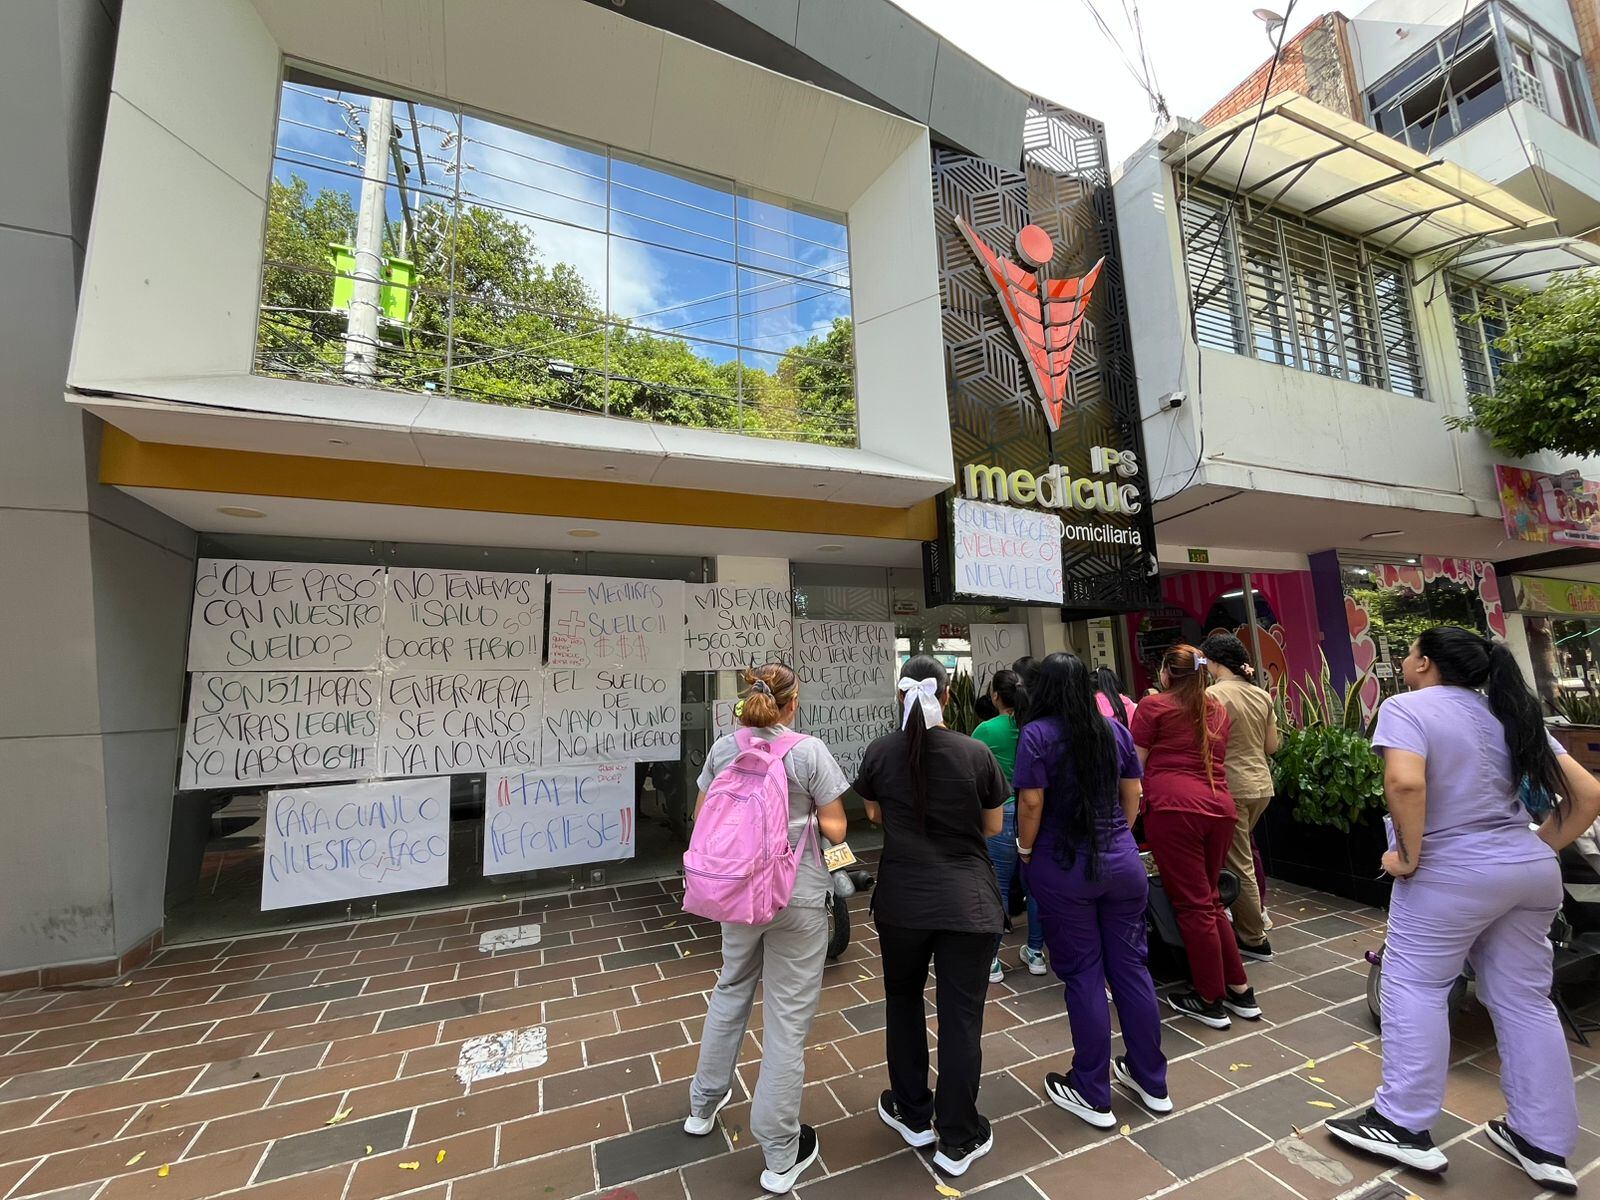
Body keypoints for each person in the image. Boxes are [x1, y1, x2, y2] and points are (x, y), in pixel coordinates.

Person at [1328, 627, 1600, 1191]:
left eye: (1407, 653)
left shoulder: (1406, 707)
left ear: (1424, 662)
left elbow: (1404, 782)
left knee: (1415, 986)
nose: (1403, 661)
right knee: (1526, 1002)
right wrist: (1533, 849)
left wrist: (1407, 856)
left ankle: (1402, 1122)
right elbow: (1590, 795)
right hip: (1527, 873)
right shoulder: (1507, 711)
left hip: (1448, 874)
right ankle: (1543, 1142)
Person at [685, 663, 851, 1195]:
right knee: (786, 1019)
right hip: (796, 896)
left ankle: (702, 1107)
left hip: (735, 895)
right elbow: (836, 825)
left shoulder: (724, 749)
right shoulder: (809, 751)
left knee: (731, 988)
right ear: (792, 703)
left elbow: (702, 815)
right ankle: (780, 1151)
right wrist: (831, 853)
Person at [855, 655, 1009, 1177]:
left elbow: (873, 813)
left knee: (902, 1000)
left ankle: (911, 1112)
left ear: (899, 698)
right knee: (961, 1015)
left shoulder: (880, 752)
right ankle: (959, 1136)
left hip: (902, 901)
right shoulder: (975, 752)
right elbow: (992, 826)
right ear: (946, 696)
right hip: (969, 903)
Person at [1013, 653, 1170, 1128]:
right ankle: (1151, 1080)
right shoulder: (1114, 729)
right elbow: (1134, 793)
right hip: (1121, 864)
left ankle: (1091, 1088)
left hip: (1063, 868)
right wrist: (1120, 833)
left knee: (1083, 974)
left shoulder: (1036, 734)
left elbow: (1031, 802)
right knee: (1131, 969)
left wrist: (1024, 849)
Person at [1131, 644, 1260, 1028]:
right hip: (1220, 808)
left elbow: (1134, 765)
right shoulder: (1216, 709)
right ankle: (1239, 989)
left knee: (1192, 906)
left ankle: (1209, 997)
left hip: (1175, 810)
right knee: (1211, 900)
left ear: (1167, 673)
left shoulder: (1154, 707)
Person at [1200, 632, 1279, 962]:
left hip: (1229, 786)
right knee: (1239, 853)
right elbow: (1272, 746)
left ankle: (1253, 936)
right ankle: (1238, 916)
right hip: (1261, 785)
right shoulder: (1261, 695)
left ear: (1215, 663)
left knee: (1240, 862)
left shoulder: (1212, 695)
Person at [972, 670, 1046, 982]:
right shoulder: (1037, 726)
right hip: (1038, 813)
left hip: (1000, 816)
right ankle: (1036, 953)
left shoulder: (986, 730)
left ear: (996, 697)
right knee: (1036, 889)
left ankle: (991, 960)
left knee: (998, 887)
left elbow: (972, 771)